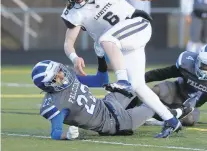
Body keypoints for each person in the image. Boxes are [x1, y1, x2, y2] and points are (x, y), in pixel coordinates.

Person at [60, 0, 181, 138]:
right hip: (125, 42)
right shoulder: (74, 13)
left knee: (106, 40)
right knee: (138, 86)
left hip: (137, 25)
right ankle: (172, 121)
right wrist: (74, 57)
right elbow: (68, 43)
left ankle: (122, 81)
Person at [31, 59, 168, 140]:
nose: (61, 75)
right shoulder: (55, 103)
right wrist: (68, 135)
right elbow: (56, 133)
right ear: (48, 85)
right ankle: (179, 113)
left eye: (59, 70)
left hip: (108, 103)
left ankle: (149, 113)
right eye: (56, 77)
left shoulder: (70, 78)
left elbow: (100, 80)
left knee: (135, 84)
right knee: (152, 106)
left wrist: (101, 57)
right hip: (114, 124)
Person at [145, 44, 207, 126]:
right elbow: (163, 73)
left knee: (189, 120)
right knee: (156, 90)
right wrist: (141, 79)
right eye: (204, 65)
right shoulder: (188, 65)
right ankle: (137, 110)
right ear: (198, 60)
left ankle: (161, 120)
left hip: (190, 106)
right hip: (175, 91)